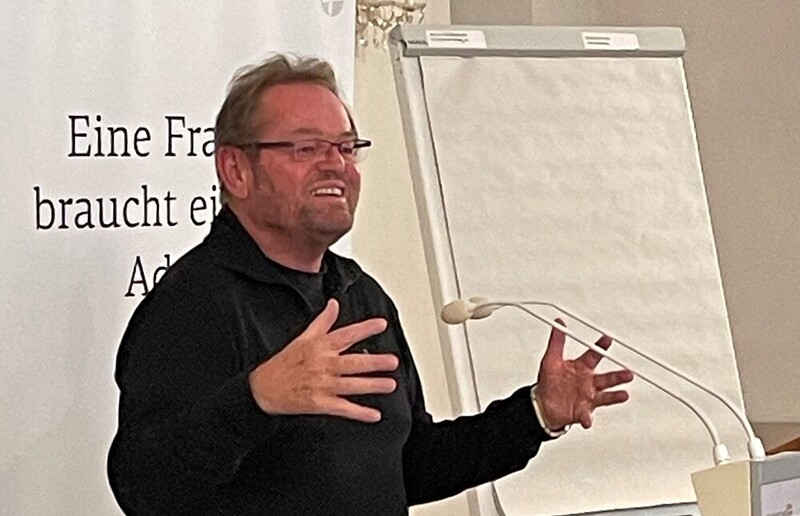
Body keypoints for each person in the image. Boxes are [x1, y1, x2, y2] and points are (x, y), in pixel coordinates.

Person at [107, 54, 633, 515]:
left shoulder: (360, 295)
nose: (335, 165)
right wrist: (257, 398)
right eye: (306, 148)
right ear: (235, 169)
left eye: (346, 147)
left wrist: (535, 414)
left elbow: (409, 466)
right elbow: (143, 488)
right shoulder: (195, 303)